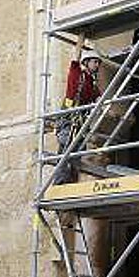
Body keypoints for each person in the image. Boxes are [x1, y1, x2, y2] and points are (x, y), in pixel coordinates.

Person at [52, 36, 103, 184]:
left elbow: (99, 99)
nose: (97, 65)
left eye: (98, 62)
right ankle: (60, 182)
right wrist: (81, 37)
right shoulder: (76, 74)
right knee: (66, 149)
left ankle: (72, 182)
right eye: (95, 62)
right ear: (86, 62)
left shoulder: (92, 84)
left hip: (80, 122)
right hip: (68, 119)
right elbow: (76, 54)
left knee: (77, 153)